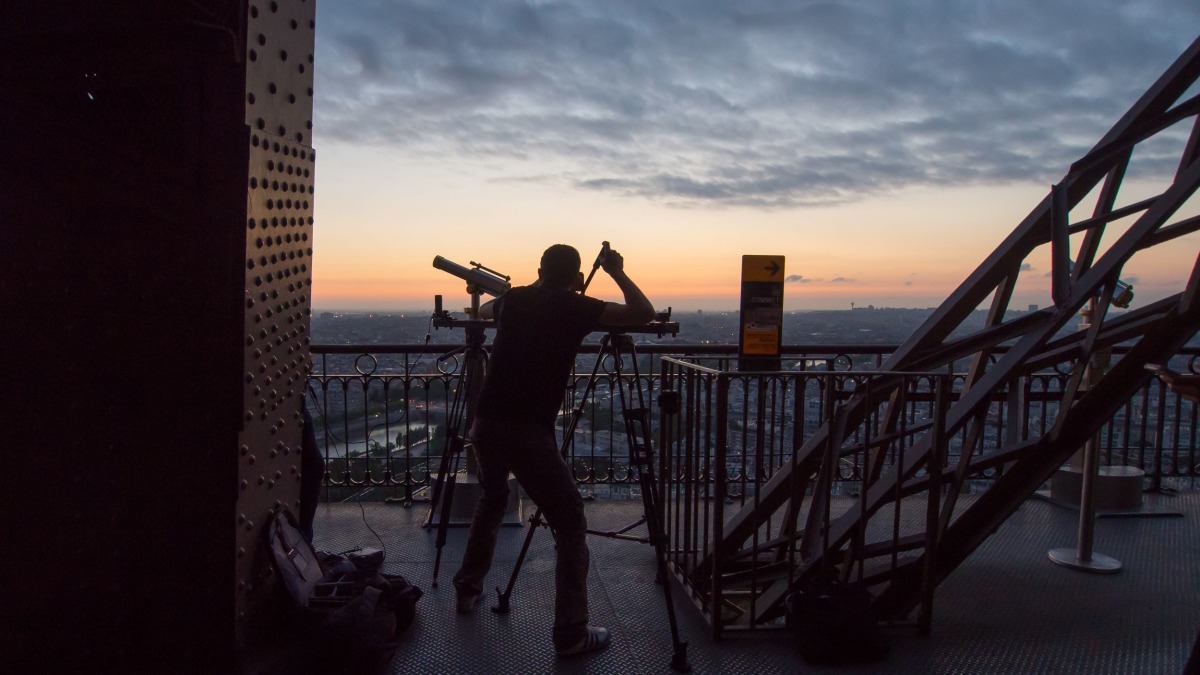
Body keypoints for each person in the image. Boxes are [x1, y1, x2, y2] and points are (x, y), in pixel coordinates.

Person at [452, 243, 654, 658]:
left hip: (486, 421)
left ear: (539, 269)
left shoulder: (514, 299)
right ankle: (571, 632)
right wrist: (614, 271)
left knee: (493, 498)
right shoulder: (577, 307)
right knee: (569, 520)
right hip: (527, 427)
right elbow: (643, 311)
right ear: (577, 278)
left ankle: (467, 590)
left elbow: (486, 311)